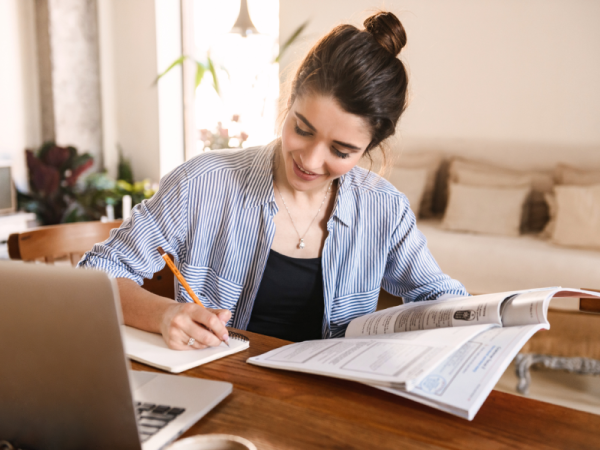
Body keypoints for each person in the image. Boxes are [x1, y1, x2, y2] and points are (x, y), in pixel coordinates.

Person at [79, 11, 468, 349]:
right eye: (302, 129)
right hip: (222, 388)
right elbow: (96, 274)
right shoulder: (202, 183)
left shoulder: (384, 208)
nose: (311, 160)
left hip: (328, 406)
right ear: (289, 100)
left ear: (370, 147)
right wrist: (166, 315)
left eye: (341, 151)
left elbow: (439, 296)